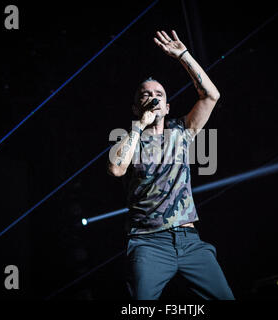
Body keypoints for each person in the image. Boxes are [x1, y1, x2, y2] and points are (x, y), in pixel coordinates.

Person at [107, 30, 234, 300]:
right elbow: (116, 168)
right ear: (136, 106)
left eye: (159, 94)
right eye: (146, 94)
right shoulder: (128, 139)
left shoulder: (181, 130)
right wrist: (140, 124)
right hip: (148, 242)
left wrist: (183, 56)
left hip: (189, 240)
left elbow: (211, 96)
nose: (153, 97)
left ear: (166, 106)